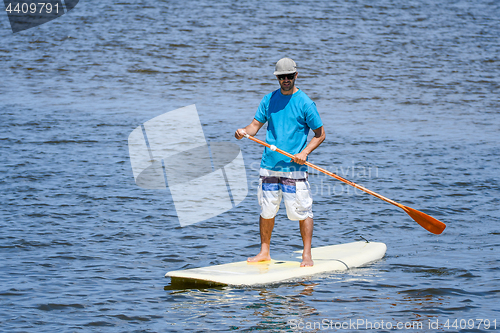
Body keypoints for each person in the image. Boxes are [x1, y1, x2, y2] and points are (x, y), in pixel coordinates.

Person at [235, 57, 325, 267]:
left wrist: (304, 152)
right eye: (281, 76)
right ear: (277, 78)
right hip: (269, 166)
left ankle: (306, 255)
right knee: (267, 210)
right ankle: (264, 252)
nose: (285, 79)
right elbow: (254, 126)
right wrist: (243, 132)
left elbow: (320, 134)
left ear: (296, 75)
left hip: (294, 169)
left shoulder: (305, 103)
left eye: (289, 76)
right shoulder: (269, 100)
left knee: (302, 211)